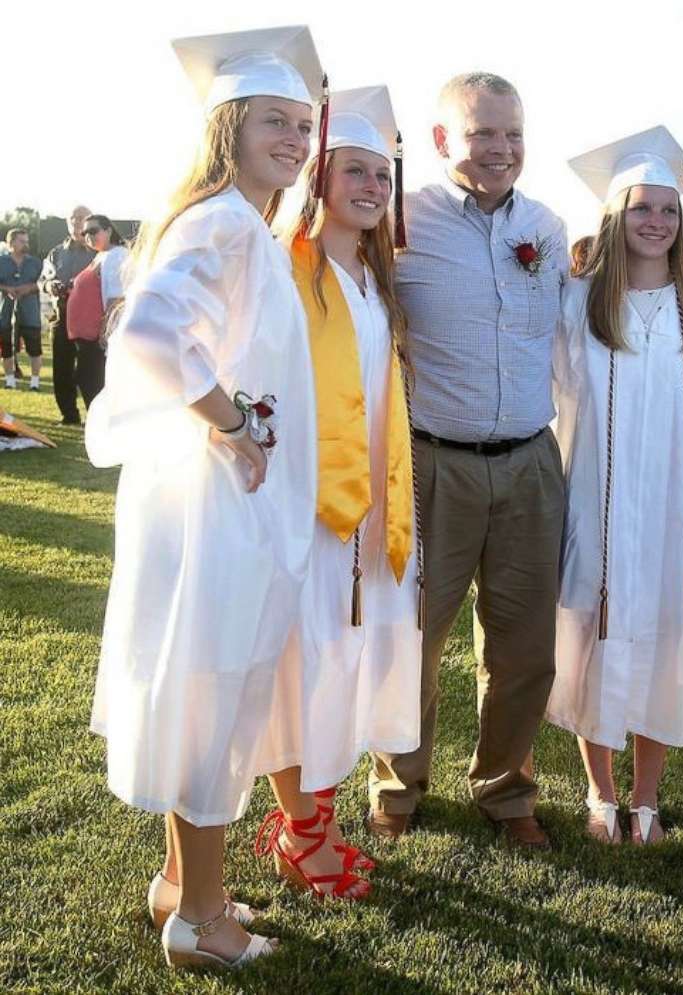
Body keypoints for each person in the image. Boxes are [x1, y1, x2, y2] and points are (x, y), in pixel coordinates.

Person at [85, 26, 324, 968]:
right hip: (216, 504)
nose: (295, 141)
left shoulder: (240, 223)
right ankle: (203, 922)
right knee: (215, 691)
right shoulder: (224, 218)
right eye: (275, 121)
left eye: (302, 126)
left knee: (204, 685)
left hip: (216, 501)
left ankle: (182, 885)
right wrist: (231, 423)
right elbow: (148, 332)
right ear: (229, 126)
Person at [371, 72, 568, 849]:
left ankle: (506, 788)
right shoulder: (401, 221)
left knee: (524, 643)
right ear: (443, 139)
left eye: (513, 133)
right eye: (484, 132)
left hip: (529, 462)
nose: (502, 148)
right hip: (431, 463)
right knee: (412, 634)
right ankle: (397, 781)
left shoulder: (548, 229)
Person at [252, 85, 421, 902]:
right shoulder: (287, 267)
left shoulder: (370, 279)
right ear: (317, 175)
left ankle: (309, 823)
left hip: (370, 515)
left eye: (381, 177)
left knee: (337, 667)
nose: (371, 188)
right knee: (300, 666)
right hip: (307, 510)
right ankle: (302, 833)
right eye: (353, 171)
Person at [547, 127, 683, 845]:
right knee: (594, 634)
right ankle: (600, 791)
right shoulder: (576, 303)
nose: (657, 221)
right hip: (596, 500)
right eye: (643, 207)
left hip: (676, 508)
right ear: (615, 216)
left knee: (661, 641)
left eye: (670, 210)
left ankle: (647, 797)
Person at [66, 215, 131, 407]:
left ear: (109, 230)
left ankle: (101, 427)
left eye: (93, 231)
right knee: (87, 380)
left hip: (99, 337)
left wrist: (105, 330)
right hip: (88, 337)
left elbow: (116, 297)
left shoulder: (117, 255)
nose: (88, 236)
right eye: (85, 233)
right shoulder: (102, 255)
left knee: (92, 383)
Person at [40, 205, 96, 422]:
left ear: (89, 221)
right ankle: (69, 415)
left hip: (87, 318)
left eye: (81, 218)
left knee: (88, 370)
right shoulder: (56, 252)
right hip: (61, 315)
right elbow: (42, 280)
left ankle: (95, 416)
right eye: (72, 218)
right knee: (61, 368)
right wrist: (50, 286)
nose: (76, 221)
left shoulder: (98, 251)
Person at [0, 228, 44, 390]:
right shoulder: (1, 261)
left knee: (35, 349)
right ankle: (10, 381)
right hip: (5, 312)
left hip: (30, 312)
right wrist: (6, 288)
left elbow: (43, 284)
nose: (26, 244)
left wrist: (29, 287)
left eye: (27, 241)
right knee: (7, 348)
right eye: (22, 241)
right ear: (11, 243)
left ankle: (35, 382)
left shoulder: (35, 263)